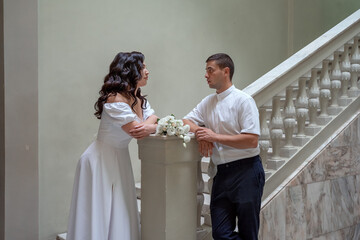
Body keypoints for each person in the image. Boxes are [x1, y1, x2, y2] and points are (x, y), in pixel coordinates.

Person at [67, 51, 157, 240]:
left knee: (120, 207)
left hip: (119, 157)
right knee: (99, 209)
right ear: (131, 71)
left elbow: (152, 118)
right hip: (100, 160)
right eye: (143, 67)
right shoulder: (115, 99)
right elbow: (135, 130)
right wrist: (152, 127)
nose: (148, 71)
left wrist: (149, 126)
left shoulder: (138, 99)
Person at [183, 53, 265, 240]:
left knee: (248, 233)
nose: (206, 75)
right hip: (221, 174)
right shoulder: (208, 102)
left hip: (247, 171)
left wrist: (214, 136)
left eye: (210, 70)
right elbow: (186, 120)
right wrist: (200, 133)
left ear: (225, 71)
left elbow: (251, 139)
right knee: (220, 234)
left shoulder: (243, 100)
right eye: (206, 71)